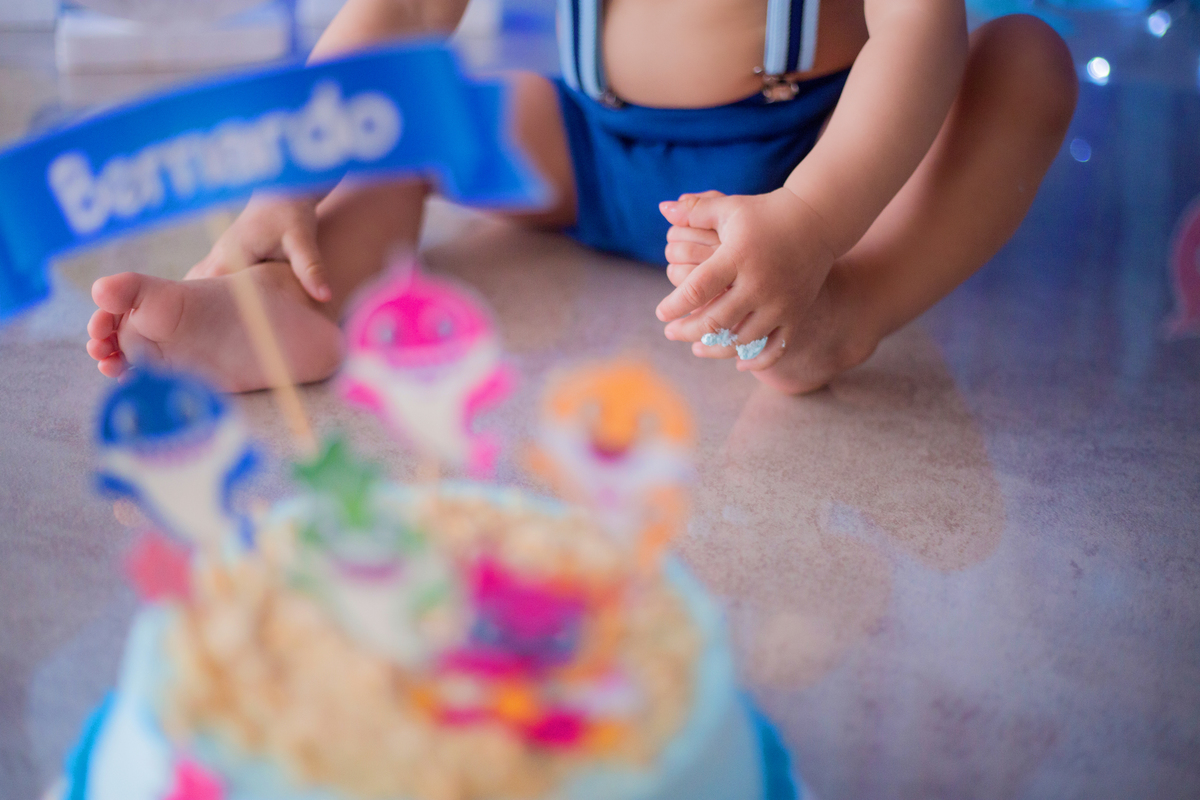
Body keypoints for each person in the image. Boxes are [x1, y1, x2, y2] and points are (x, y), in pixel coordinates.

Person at [85, 0, 1077, 395]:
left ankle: (850, 307)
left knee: (1023, 63)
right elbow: (404, 11)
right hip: (596, 153)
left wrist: (817, 220)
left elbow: (919, 34)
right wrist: (288, 177)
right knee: (422, 111)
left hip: (816, 160)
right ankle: (298, 297)